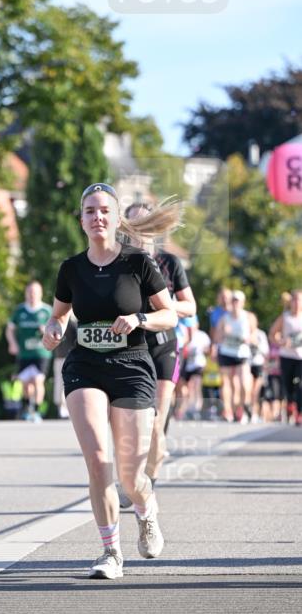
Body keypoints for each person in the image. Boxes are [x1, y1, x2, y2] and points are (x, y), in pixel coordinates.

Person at [42, 183, 177, 580]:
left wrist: (141, 320)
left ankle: (145, 509)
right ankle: (110, 551)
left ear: (116, 219)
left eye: (104, 210)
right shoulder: (71, 268)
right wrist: (52, 329)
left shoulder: (138, 264)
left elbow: (169, 315)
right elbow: (60, 315)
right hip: (84, 365)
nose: (97, 217)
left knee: (131, 477)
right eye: (89, 211)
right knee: (98, 462)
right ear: (81, 220)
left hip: (133, 365)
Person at [116, 203, 197, 509]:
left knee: (156, 418)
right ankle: (134, 478)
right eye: (134, 225)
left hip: (164, 343)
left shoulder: (169, 261)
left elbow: (190, 307)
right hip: (132, 345)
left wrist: (163, 306)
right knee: (134, 418)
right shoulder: (119, 262)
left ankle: (146, 480)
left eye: (145, 224)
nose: (140, 231)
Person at [6, 281, 53, 422]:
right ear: (26, 293)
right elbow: (9, 329)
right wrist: (12, 343)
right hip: (24, 353)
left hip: (41, 353)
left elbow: (57, 329)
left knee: (38, 381)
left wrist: (46, 331)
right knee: (26, 384)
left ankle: (37, 411)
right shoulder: (19, 310)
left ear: (40, 293)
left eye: (35, 292)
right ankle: (28, 409)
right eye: (30, 292)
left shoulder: (47, 310)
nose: (32, 295)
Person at [214, 290, 257, 423]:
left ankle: (242, 408)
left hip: (242, 353)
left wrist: (247, 339)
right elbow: (216, 338)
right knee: (226, 382)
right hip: (226, 352)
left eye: (237, 300)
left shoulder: (248, 317)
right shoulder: (224, 318)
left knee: (243, 383)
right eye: (233, 300)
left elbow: (254, 337)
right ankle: (227, 411)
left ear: (243, 303)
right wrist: (223, 332)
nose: (235, 303)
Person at [269, 289, 302, 425]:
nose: (297, 303)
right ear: (291, 302)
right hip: (287, 356)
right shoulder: (285, 317)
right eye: (294, 300)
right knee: (288, 385)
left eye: (299, 300)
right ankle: (290, 404)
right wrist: (281, 342)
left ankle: (299, 412)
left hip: (301, 357)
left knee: (300, 385)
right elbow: (272, 334)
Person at [53, 315, 78, 419]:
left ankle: (65, 408)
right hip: (63, 356)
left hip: (68, 355)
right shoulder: (62, 321)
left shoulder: (70, 321)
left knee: (64, 382)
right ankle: (62, 408)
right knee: (62, 383)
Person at [248, 322, 269, 424]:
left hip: (258, 364)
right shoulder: (243, 332)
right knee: (247, 390)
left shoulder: (261, 334)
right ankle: (246, 411)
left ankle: (254, 413)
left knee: (255, 392)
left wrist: (256, 344)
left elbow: (266, 351)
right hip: (246, 364)